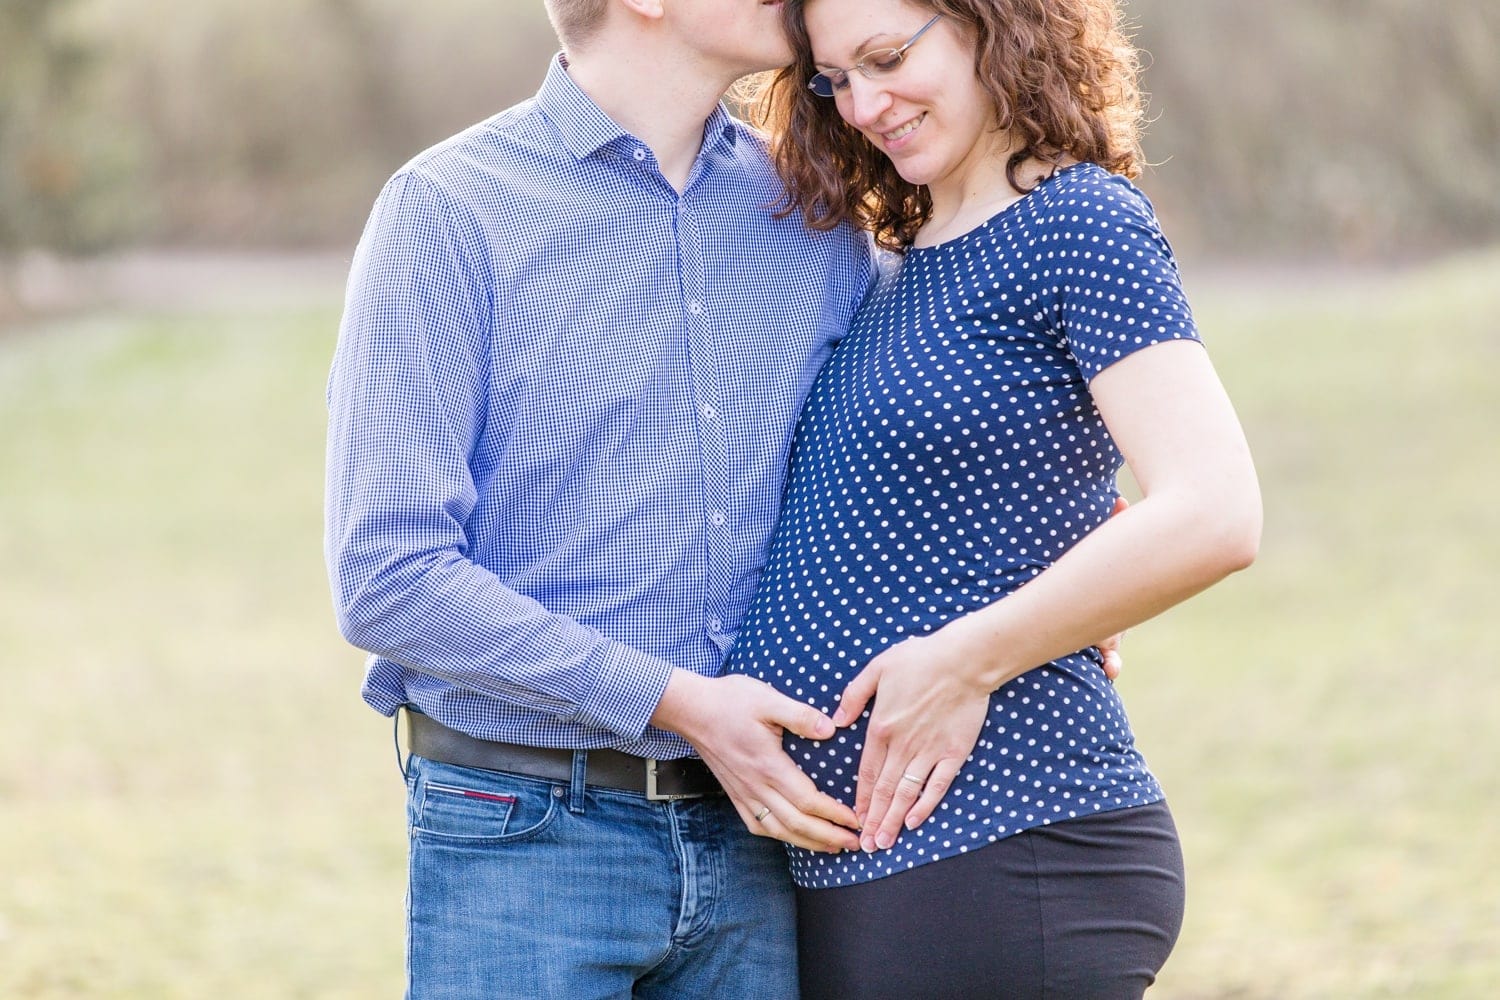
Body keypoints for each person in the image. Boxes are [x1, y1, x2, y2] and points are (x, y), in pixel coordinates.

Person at [322, 1, 882, 996]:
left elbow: (910, 438)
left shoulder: (816, 215)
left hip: (763, 838)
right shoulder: (450, 209)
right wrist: (677, 703)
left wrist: (1049, 564)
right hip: (521, 833)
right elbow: (389, 580)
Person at [722, 0, 1264, 997]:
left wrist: (965, 660)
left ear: (991, 23)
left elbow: (1216, 508)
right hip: (888, 866)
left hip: (1008, 842)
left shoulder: (1077, 221)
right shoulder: (894, 259)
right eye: (836, 82)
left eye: (887, 59)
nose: (866, 105)